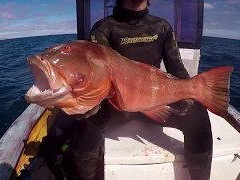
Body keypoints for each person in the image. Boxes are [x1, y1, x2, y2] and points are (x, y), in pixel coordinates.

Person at [71, 0, 213, 180]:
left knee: (198, 114)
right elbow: (100, 72)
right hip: (115, 103)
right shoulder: (104, 28)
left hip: (153, 99)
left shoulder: (162, 26)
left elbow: (176, 67)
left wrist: (189, 91)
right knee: (85, 121)